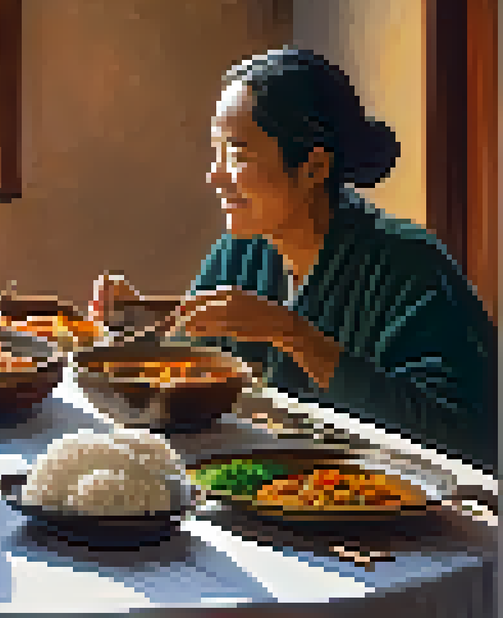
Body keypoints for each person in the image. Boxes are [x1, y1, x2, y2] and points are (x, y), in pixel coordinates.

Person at [91, 47, 498, 470]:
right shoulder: (240, 250)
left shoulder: (411, 266)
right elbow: (186, 369)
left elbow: (459, 437)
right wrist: (132, 319)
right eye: (216, 154)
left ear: (313, 168)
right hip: (268, 482)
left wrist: (292, 335)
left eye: (237, 155)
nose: (215, 176)